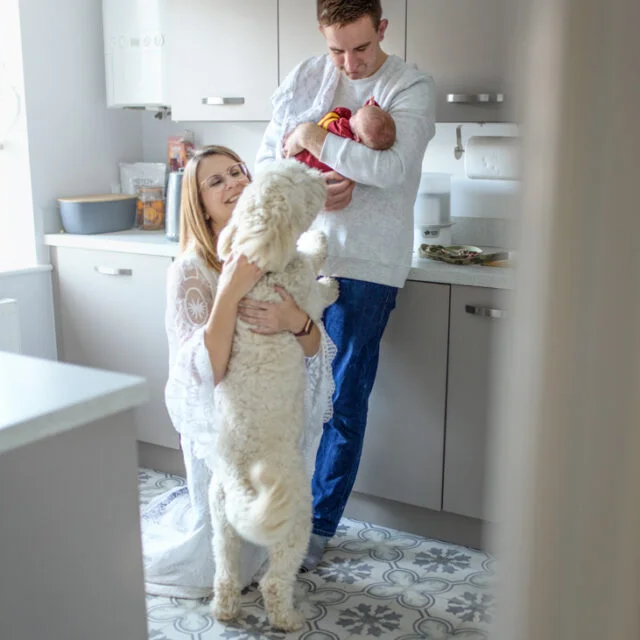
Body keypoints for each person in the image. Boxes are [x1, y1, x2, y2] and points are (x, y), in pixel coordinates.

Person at [256, 0, 436, 571]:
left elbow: (390, 169)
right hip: (298, 257)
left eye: (361, 48)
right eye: (337, 49)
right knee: (286, 391)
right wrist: (310, 177)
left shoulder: (410, 85)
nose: (349, 63)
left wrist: (312, 134)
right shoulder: (306, 76)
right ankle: (275, 514)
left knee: (341, 398)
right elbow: (265, 160)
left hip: (366, 268)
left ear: (382, 30)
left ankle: (316, 528)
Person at [140, 145, 336, 598]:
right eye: (216, 181)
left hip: (274, 420)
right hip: (223, 428)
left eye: (236, 172)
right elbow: (204, 374)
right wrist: (230, 289)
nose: (232, 183)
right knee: (217, 556)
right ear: (200, 205)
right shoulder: (190, 270)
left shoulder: (285, 254)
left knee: (273, 524)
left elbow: (314, 351)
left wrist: (296, 321)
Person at [295, 98, 396, 172]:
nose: (352, 116)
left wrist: (341, 113)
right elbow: (370, 118)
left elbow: (327, 121)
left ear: (356, 138)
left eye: (355, 115)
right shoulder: (365, 135)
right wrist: (371, 107)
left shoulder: (342, 131)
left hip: (306, 159)